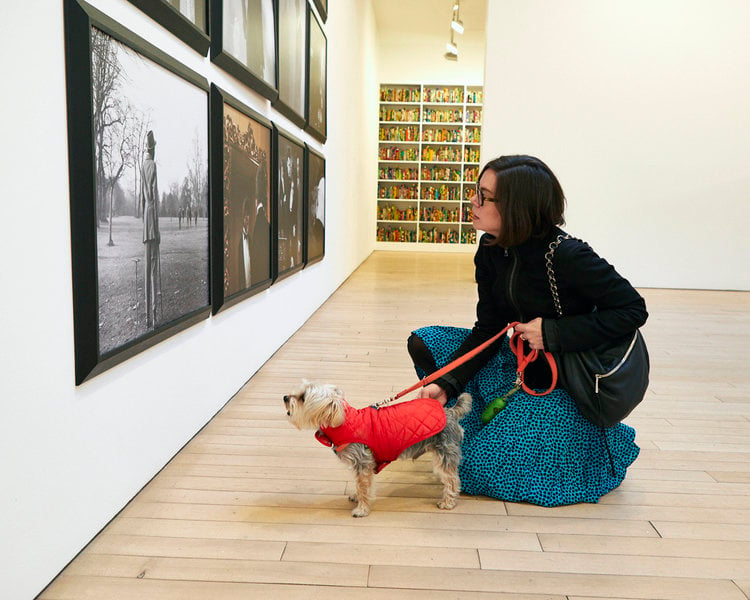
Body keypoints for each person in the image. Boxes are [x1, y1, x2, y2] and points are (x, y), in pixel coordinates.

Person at [407, 155, 647, 506]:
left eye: (484, 196)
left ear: (516, 207)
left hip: (564, 382)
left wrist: (552, 333)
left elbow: (633, 309)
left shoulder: (567, 256)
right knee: (426, 342)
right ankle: (483, 429)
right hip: (522, 366)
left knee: (477, 471)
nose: (472, 202)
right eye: (477, 191)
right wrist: (447, 383)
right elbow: (488, 328)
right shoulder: (491, 249)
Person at [140, 130, 161, 329]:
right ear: (152, 149)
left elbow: (143, 200)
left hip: (145, 225)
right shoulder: (153, 165)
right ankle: (154, 317)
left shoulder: (141, 165)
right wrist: (157, 229)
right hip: (152, 224)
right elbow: (153, 197)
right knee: (154, 269)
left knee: (147, 271)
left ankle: (147, 316)